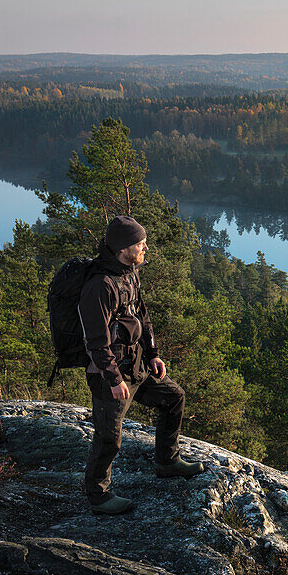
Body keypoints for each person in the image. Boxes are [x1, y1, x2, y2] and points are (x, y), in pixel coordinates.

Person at [80, 215, 204, 515]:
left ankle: (167, 461)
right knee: (109, 436)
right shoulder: (101, 286)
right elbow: (96, 341)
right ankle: (98, 495)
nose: (146, 247)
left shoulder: (130, 273)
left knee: (173, 397)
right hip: (111, 374)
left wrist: (153, 354)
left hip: (136, 366)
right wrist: (113, 379)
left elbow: (142, 317)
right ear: (123, 248)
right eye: (140, 243)